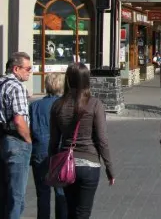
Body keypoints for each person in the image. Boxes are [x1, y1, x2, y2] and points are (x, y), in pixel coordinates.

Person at [50, 63, 115, 219]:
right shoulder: (94, 104)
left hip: (66, 163)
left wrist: (52, 166)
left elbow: (53, 141)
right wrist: (109, 168)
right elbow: (102, 139)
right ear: (87, 80)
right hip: (89, 164)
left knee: (71, 210)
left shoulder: (58, 105)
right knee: (83, 212)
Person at [29, 73, 67, 219]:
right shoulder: (64, 104)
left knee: (42, 193)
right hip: (59, 151)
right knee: (61, 192)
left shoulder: (35, 106)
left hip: (40, 150)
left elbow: (31, 128)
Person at [0, 52, 33, 219]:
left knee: (4, 193)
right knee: (17, 196)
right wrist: (28, 140)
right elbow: (19, 120)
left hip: (3, 138)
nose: (30, 72)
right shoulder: (17, 87)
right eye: (28, 68)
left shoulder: (1, 83)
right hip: (16, 141)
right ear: (16, 68)